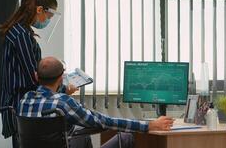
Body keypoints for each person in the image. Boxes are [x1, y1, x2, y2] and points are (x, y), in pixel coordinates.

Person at [18, 57, 175, 148]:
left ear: (36, 76)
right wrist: (148, 125)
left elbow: (47, 98)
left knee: (83, 137)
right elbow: (103, 121)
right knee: (126, 137)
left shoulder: (24, 100)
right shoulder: (63, 103)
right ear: (61, 78)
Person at [0, 0, 77, 147]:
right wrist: (63, 89)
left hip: (19, 107)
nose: (48, 20)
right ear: (39, 10)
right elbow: (34, 77)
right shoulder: (21, 35)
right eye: (49, 16)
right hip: (21, 107)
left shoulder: (18, 31)